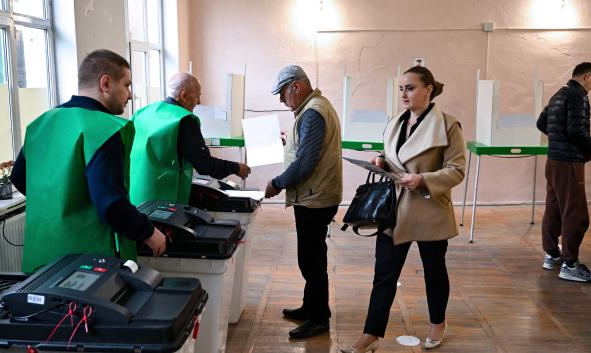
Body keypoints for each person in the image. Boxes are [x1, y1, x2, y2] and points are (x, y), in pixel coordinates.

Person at [341, 66, 465, 352]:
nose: (404, 94)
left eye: (410, 88)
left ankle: (437, 324)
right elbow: (390, 154)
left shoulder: (448, 125)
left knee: (434, 272)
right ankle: (371, 334)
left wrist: (423, 179)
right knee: (384, 273)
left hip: (429, 209)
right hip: (394, 209)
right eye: (401, 89)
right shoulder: (395, 122)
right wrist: (379, 160)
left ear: (428, 89)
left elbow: (457, 171)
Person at [10, 49, 166, 273]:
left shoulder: (41, 123)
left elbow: (19, 176)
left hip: (42, 254)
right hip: (88, 259)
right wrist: (149, 232)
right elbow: (111, 203)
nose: (130, 95)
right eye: (127, 85)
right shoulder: (105, 129)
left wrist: (60, 205)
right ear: (106, 83)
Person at [264, 65, 343, 339]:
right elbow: (308, 149)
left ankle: (319, 318)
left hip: (314, 198)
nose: (281, 100)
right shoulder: (315, 107)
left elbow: (306, 163)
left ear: (296, 86)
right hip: (314, 196)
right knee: (311, 257)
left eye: (282, 94)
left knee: (311, 260)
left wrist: (276, 183)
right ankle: (312, 307)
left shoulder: (312, 112)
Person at [129, 72, 251, 206]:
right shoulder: (184, 119)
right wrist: (236, 168)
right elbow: (204, 165)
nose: (199, 102)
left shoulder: (142, 113)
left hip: (136, 196)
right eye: (197, 96)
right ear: (184, 95)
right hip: (165, 199)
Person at [536, 62, 591, 283]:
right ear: (587, 76)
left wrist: (558, 138)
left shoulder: (559, 94)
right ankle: (570, 264)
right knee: (576, 214)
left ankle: (552, 254)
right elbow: (576, 131)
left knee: (554, 209)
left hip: (553, 161)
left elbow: (541, 122)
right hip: (569, 164)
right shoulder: (578, 95)